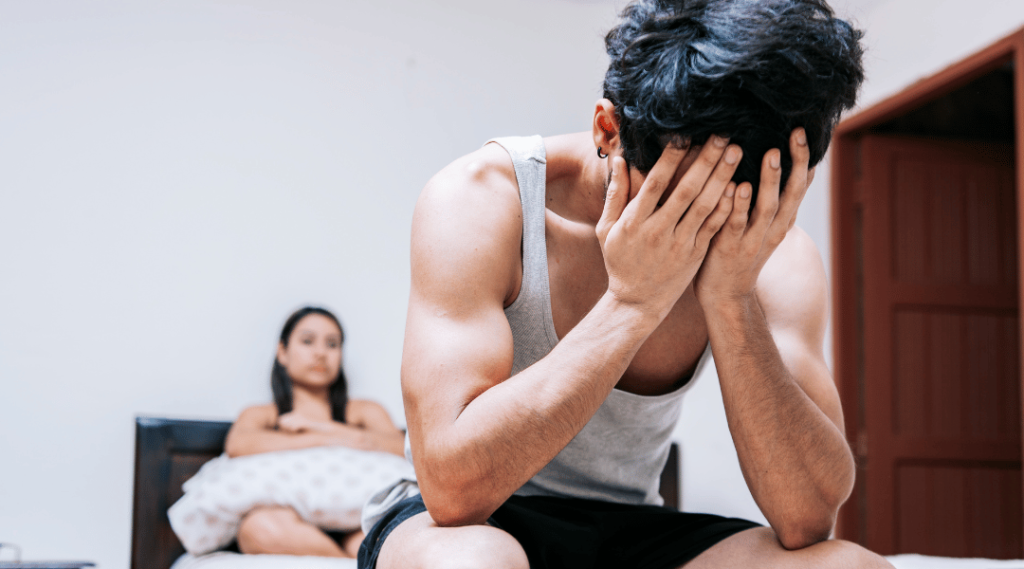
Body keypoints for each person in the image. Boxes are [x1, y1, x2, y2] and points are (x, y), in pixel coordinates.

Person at [359, 0, 896, 568]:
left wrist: (733, 298)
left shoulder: (770, 251)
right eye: (682, 199)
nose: (705, 227)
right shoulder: (485, 201)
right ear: (608, 130)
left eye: (732, 207)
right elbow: (452, 488)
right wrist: (632, 302)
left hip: (630, 526)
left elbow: (808, 517)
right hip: (465, 522)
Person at [224, 306, 405, 559]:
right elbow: (238, 445)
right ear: (283, 352)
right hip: (290, 522)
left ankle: (350, 557)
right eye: (307, 341)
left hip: (357, 519)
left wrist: (324, 427)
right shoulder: (262, 414)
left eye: (332, 344)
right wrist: (323, 438)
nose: (320, 353)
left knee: (372, 540)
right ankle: (344, 563)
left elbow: (401, 448)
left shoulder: (365, 411)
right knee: (258, 529)